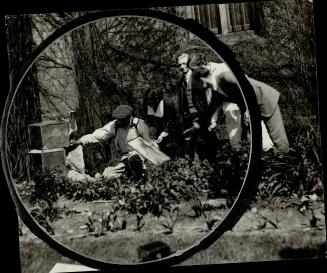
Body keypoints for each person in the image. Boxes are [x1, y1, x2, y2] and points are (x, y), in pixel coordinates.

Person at [192, 69, 290, 151]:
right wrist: (199, 123)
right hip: (252, 109)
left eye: (194, 84)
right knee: (258, 142)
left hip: (265, 100)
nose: (195, 87)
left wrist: (248, 108)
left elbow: (247, 87)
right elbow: (211, 109)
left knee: (279, 140)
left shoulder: (225, 77)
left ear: (201, 79)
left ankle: (288, 166)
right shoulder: (216, 92)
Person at [69, 104, 158, 178]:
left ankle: (139, 176)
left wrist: (153, 158)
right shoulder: (114, 125)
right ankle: (128, 174)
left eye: (122, 119)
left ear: (129, 116)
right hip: (122, 157)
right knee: (107, 176)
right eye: (118, 119)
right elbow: (98, 135)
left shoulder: (139, 124)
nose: (120, 121)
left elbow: (150, 143)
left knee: (135, 160)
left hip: (139, 155)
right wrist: (81, 141)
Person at [143, 88, 184, 158]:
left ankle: (177, 154)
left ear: (157, 100)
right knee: (160, 143)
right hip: (159, 121)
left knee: (174, 142)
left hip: (173, 122)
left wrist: (164, 132)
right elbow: (148, 116)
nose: (151, 104)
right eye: (149, 102)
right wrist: (151, 126)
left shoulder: (168, 103)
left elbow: (173, 119)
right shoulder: (146, 103)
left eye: (152, 102)